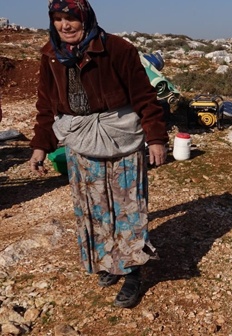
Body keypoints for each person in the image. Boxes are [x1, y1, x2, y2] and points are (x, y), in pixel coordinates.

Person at [29, 0, 168, 308]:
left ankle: (132, 271)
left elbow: (145, 97)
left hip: (120, 136)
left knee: (127, 208)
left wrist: (156, 137)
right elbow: (45, 106)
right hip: (81, 141)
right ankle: (107, 262)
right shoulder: (50, 55)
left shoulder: (118, 49)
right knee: (94, 208)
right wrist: (41, 145)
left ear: (86, 18)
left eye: (71, 18)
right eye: (58, 18)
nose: (65, 25)